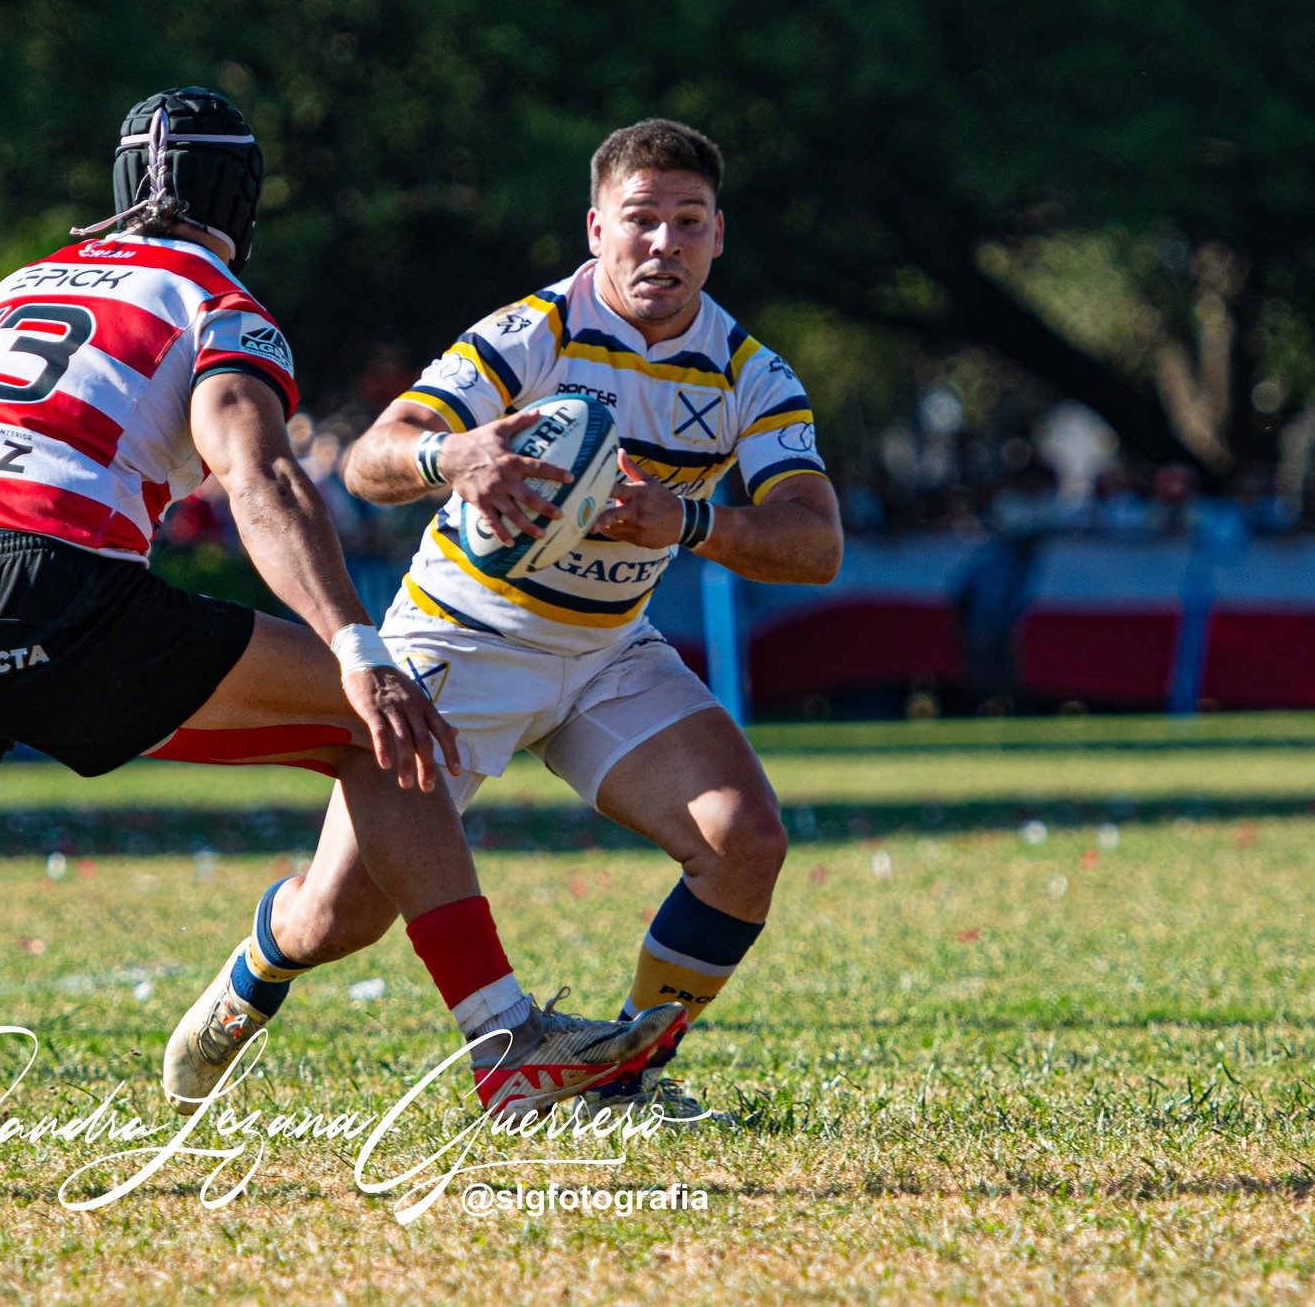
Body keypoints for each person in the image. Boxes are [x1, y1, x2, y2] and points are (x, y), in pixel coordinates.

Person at [0, 86, 673, 1207]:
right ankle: (503, 1043)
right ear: (241, 199)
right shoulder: (215, 298)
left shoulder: (20, 283)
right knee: (374, 724)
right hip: (44, 583)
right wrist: (355, 641)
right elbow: (259, 474)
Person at [168, 119, 844, 1124]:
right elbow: (370, 457)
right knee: (339, 915)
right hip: (459, 639)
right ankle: (253, 974)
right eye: (639, 220)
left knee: (742, 839)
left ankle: (614, 1078)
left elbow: (813, 543)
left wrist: (689, 518)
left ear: (716, 237)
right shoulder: (536, 330)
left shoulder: (750, 370)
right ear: (594, 229)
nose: (662, 243)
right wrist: (457, 457)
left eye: (686, 222)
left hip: (605, 648)